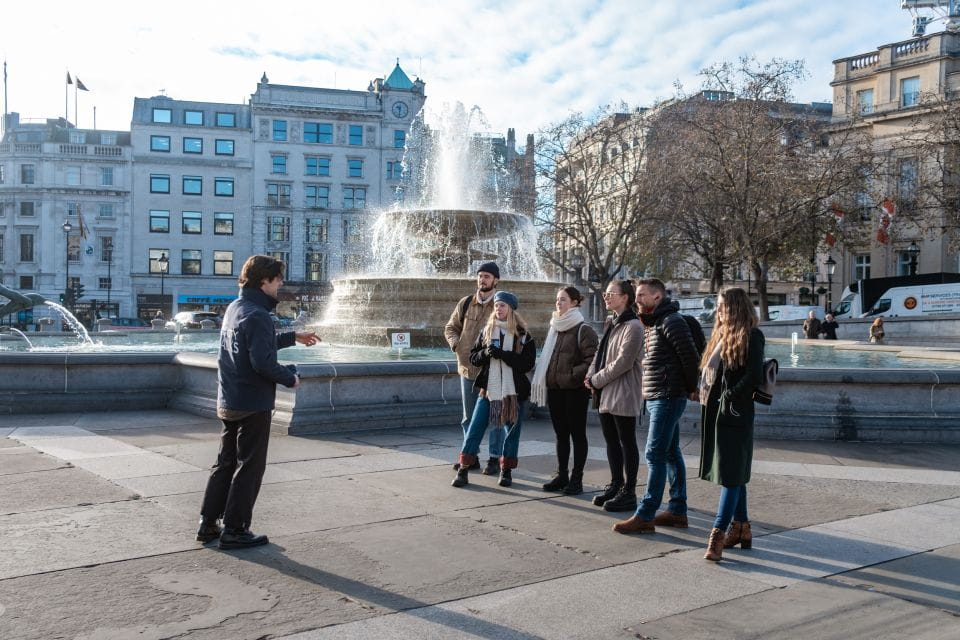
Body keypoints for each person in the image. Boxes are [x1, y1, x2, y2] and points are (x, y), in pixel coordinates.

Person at [198, 255, 321, 549]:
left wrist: (293, 336)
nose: (281, 284)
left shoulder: (236, 308)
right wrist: (290, 377)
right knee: (250, 466)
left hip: (229, 398)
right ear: (264, 281)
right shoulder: (258, 314)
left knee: (224, 463)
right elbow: (263, 362)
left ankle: (208, 524)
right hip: (252, 401)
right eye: (278, 279)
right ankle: (236, 529)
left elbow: (255, 343)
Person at [613, 278, 699, 534]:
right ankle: (677, 510)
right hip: (658, 394)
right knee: (670, 452)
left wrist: (692, 387)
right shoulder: (653, 322)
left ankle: (646, 514)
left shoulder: (671, 321)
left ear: (657, 297)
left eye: (641, 296)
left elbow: (690, 356)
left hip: (668, 395)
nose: (636, 300)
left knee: (654, 455)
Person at [696, 287, 764, 561]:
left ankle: (718, 534)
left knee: (731, 476)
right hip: (718, 412)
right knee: (734, 472)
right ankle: (742, 528)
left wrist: (729, 396)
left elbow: (754, 375)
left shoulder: (752, 335)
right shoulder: (722, 336)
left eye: (723, 306)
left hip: (735, 413)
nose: (718, 311)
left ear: (736, 307)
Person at [451, 291, 535, 488]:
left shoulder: (523, 336)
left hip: (514, 394)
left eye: (502, 306)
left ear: (511, 309)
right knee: (475, 428)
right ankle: (463, 470)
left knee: (511, 432)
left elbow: (527, 364)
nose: (498, 309)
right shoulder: (487, 331)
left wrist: (503, 355)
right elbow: (473, 357)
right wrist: (484, 354)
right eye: (497, 306)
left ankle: (506, 471)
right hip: (488, 391)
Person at [531, 286, 599, 495]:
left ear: (575, 303)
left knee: (577, 434)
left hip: (575, 391)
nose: (558, 303)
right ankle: (562, 475)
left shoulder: (583, 329)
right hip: (554, 390)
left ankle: (576, 479)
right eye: (557, 300)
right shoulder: (555, 327)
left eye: (563, 300)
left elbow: (592, 360)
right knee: (561, 435)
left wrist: (570, 375)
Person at [585, 280, 643, 512]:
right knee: (611, 440)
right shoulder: (611, 322)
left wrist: (596, 380)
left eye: (611, 294)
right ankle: (615, 483)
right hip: (606, 390)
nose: (606, 297)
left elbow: (624, 362)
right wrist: (590, 375)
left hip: (624, 391)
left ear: (625, 297)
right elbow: (599, 353)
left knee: (626, 441)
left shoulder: (634, 326)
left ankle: (629, 491)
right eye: (605, 293)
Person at [444, 262, 502, 474]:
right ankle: (471, 455)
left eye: (487, 276)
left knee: (496, 417)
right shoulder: (466, 302)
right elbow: (451, 327)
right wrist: (456, 344)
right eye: (480, 276)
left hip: (493, 372)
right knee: (468, 417)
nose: (482, 280)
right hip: (467, 369)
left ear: (495, 280)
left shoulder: (500, 304)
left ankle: (495, 458)